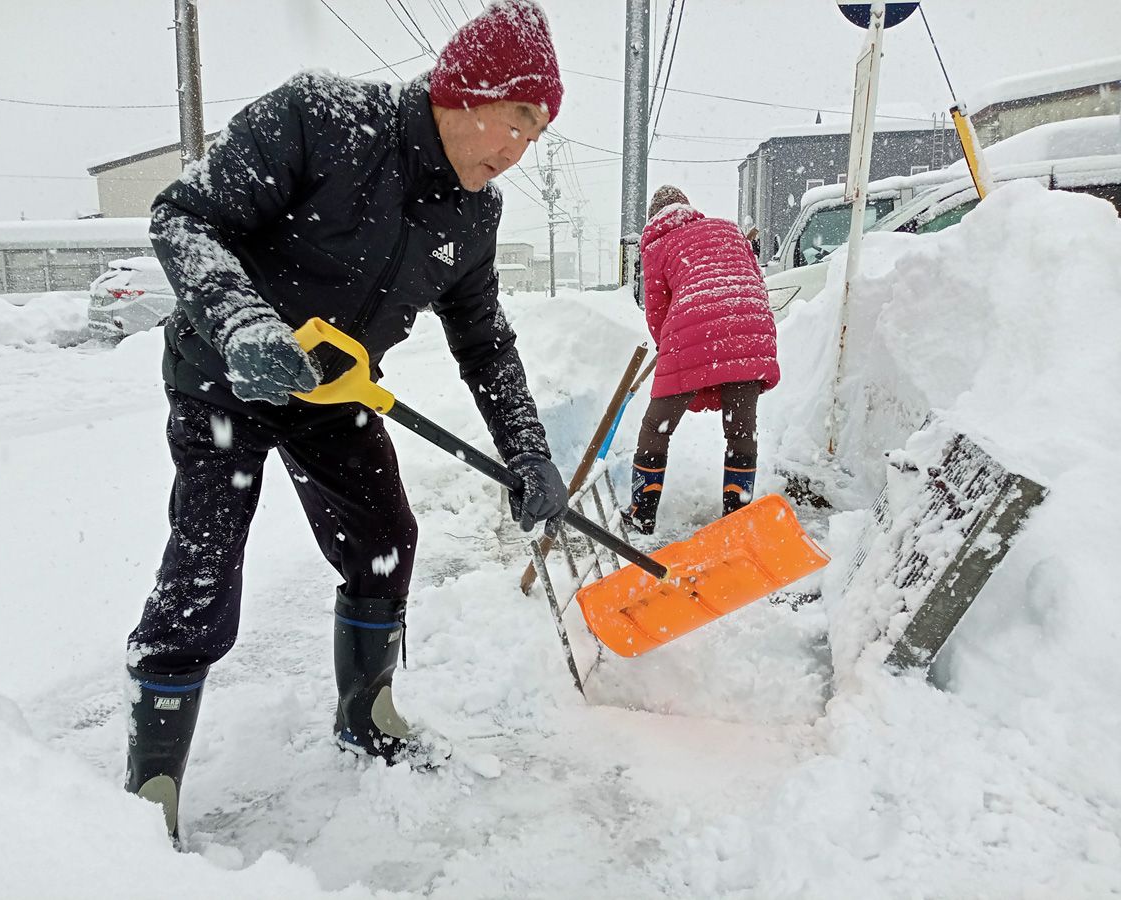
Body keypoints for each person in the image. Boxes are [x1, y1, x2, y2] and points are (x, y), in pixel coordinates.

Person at [124, 1, 569, 842]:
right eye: (517, 121)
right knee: (206, 567)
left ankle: (367, 713)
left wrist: (530, 454)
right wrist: (243, 322)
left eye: (536, 135)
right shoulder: (321, 121)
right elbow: (183, 215)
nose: (519, 151)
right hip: (226, 374)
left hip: (331, 393)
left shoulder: (473, 215)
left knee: (384, 534)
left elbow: (485, 344)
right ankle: (153, 789)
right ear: (464, 91)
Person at [621, 185, 780, 535]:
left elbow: (657, 311)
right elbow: (755, 280)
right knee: (741, 430)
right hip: (751, 322)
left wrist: (674, 351)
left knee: (655, 427)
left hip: (696, 325)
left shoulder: (656, 244)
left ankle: (641, 512)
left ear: (653, 217)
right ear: (687, 207)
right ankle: (737, 515)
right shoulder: (726, 228)